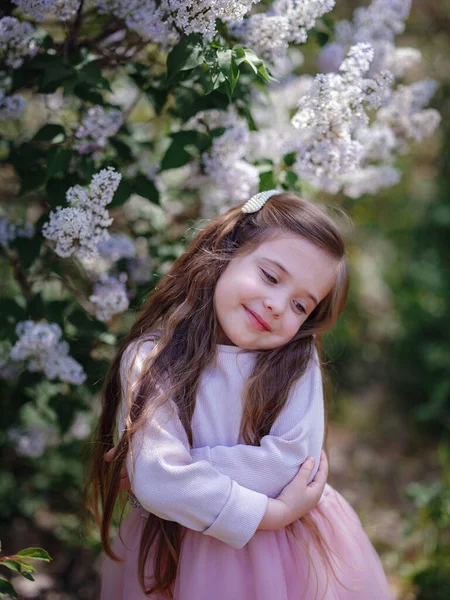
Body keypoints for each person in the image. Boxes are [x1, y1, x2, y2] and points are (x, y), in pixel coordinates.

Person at [85, 191, 394, 599]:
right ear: (225, 252)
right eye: (270, 276)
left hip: (286, 553)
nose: (278, 305)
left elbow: (289, 466)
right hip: (174, 552)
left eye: (301, 305)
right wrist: (270, 509)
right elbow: (160, 481)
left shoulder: (295, 362)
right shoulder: (151, 359)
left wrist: (172, 471)